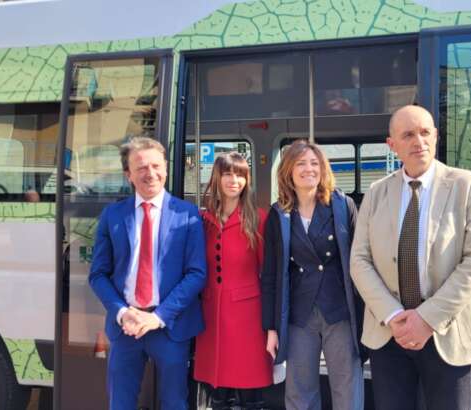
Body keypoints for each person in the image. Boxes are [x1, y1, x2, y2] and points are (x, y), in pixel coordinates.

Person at [350, 105, 471, 410]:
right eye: (408, 135)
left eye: (425, 132)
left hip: (447, 331)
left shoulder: (467, 186)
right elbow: (359, 261)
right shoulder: (376, 193)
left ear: (436, 136)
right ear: (392, 144)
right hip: (389, 333)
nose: (419, 141)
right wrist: (393, 315)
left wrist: (427, 318)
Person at [88, 136, 206, 410]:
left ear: (166, 168)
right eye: (141, 168)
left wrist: (158, 317)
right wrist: (121, 312)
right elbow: (98, 275)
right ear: (128, 175)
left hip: (170, 326)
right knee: (121, 403)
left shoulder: (188, 214)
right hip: (125, 327)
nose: (150, 173)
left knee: (175, 403)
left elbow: (196, 273)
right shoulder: (113, 215)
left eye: (156, 166)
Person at [261, 139, 364, 410]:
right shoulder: (279, 214)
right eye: (301, 163)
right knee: (299, 391)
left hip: (340, 310)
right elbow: (270, 275)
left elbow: (361, 261)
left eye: (315, 163)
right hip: (299, 314)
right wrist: (271, 327)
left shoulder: (342, 206)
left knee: (347, 386)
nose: (309, 169)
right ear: (288, 171)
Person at [194, 152, 271, 409]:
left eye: (240, 175)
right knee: (218, 395)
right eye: (227, 174)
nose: (234, 180)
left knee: (250, 393)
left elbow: (268, 273)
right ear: (217, 177)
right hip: (211, 316)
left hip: (248, 318)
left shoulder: (258, 218)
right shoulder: (202, 220)